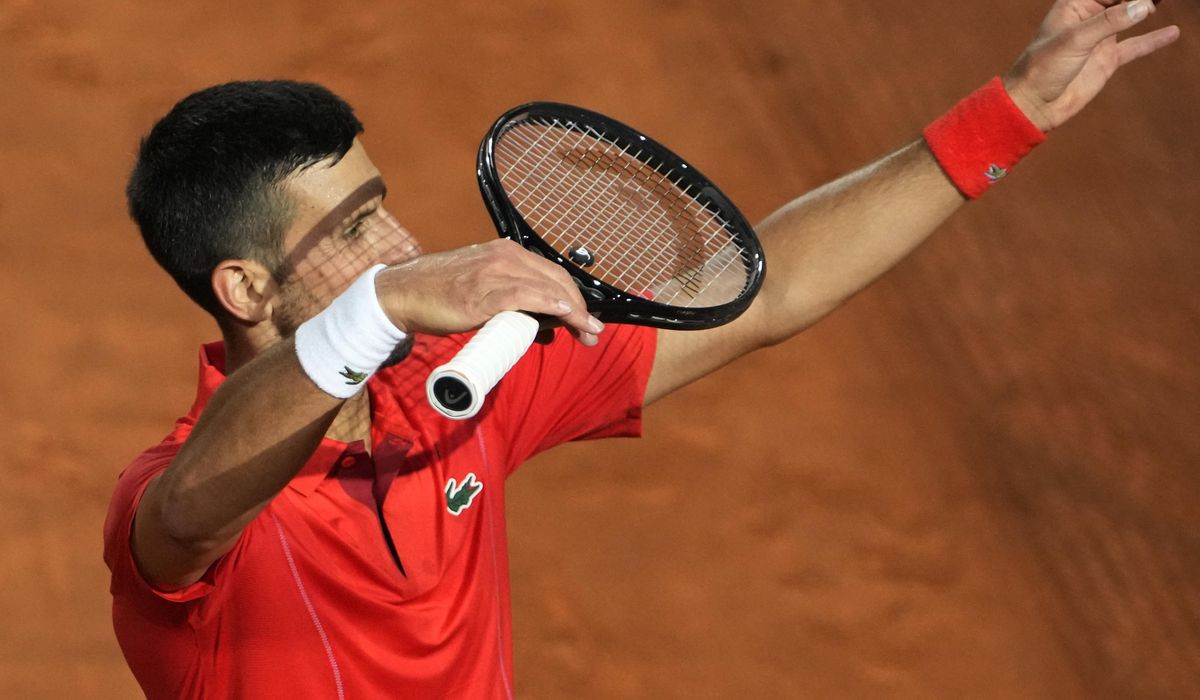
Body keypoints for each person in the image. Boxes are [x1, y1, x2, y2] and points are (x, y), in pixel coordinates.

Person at [103, 1, 1178, 697]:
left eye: (381, 209)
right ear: (242, 288)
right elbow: (201, 501)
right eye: (350, 237)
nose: (399, 247)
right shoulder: (176, 507)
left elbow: (765, 287)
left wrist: (1007, 116)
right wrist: (385, 303)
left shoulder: (452, 391)